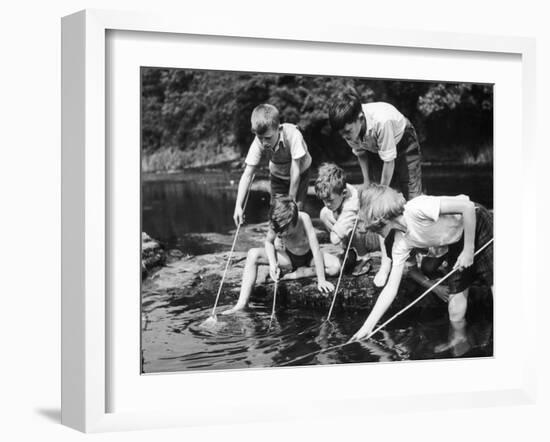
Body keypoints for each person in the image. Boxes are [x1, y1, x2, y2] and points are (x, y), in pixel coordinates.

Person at [349, 184, 493, 342]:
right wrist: (367, 326)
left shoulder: (417, 208)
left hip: (476, 221)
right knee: (455, 312)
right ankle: (459, 343)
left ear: (382, 218)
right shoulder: (400, 242)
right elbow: (390, 288)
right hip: (457, 240)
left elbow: (468, 207)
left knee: (494, 282)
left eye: (375, 228)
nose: (374, 232)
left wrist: (468, 250)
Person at [328, 88, 430, 287]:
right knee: (377, 210)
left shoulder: (382, 121)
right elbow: (362, 154)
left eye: (347, 131)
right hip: (375, 150)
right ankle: (387, 261)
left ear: (359, 118)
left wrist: (380, 195)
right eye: (341, 133)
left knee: (412, 201)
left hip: (404, 143)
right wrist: (367, 183)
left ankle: (414, 259)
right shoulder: (349, 130)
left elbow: (390, 162)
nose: (345, 136)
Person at [224, 197, 339, 314]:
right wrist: (273, 264)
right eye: (278, 231)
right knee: (253, 254)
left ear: (293, 222)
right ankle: (241, 303)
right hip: (288, 258)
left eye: (284, 231)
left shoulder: (304, 218)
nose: (281, 234)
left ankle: (297, 274)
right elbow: (268, 242)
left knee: (336, 267)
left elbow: (316, 249)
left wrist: (321, 280)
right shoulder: (277, 222)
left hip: (309, 257)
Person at [233, 104, 312, 227]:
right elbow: (247, 175)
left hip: (300, 174)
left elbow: (295, 171)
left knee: (296, 212)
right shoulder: (258, 142)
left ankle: (298, 242)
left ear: (278, 129)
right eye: (260, 138)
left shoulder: (293, 135)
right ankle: (276, 242)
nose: (264, 143)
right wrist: (238, 206)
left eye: (268, 138)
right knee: (277, 215)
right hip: (278, 177)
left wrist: (290, 202)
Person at [314, 162, 371, 274]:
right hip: (348, 222)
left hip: (368, 234)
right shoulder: (338, 188)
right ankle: (348, 250)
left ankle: (364, 257)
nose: (327, 204)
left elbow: (334, 239)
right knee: (324, 213)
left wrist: (336, 233)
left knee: (353, 227)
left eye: (330, 200)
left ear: (344, 193)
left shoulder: (352, 203)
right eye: (324, 200)